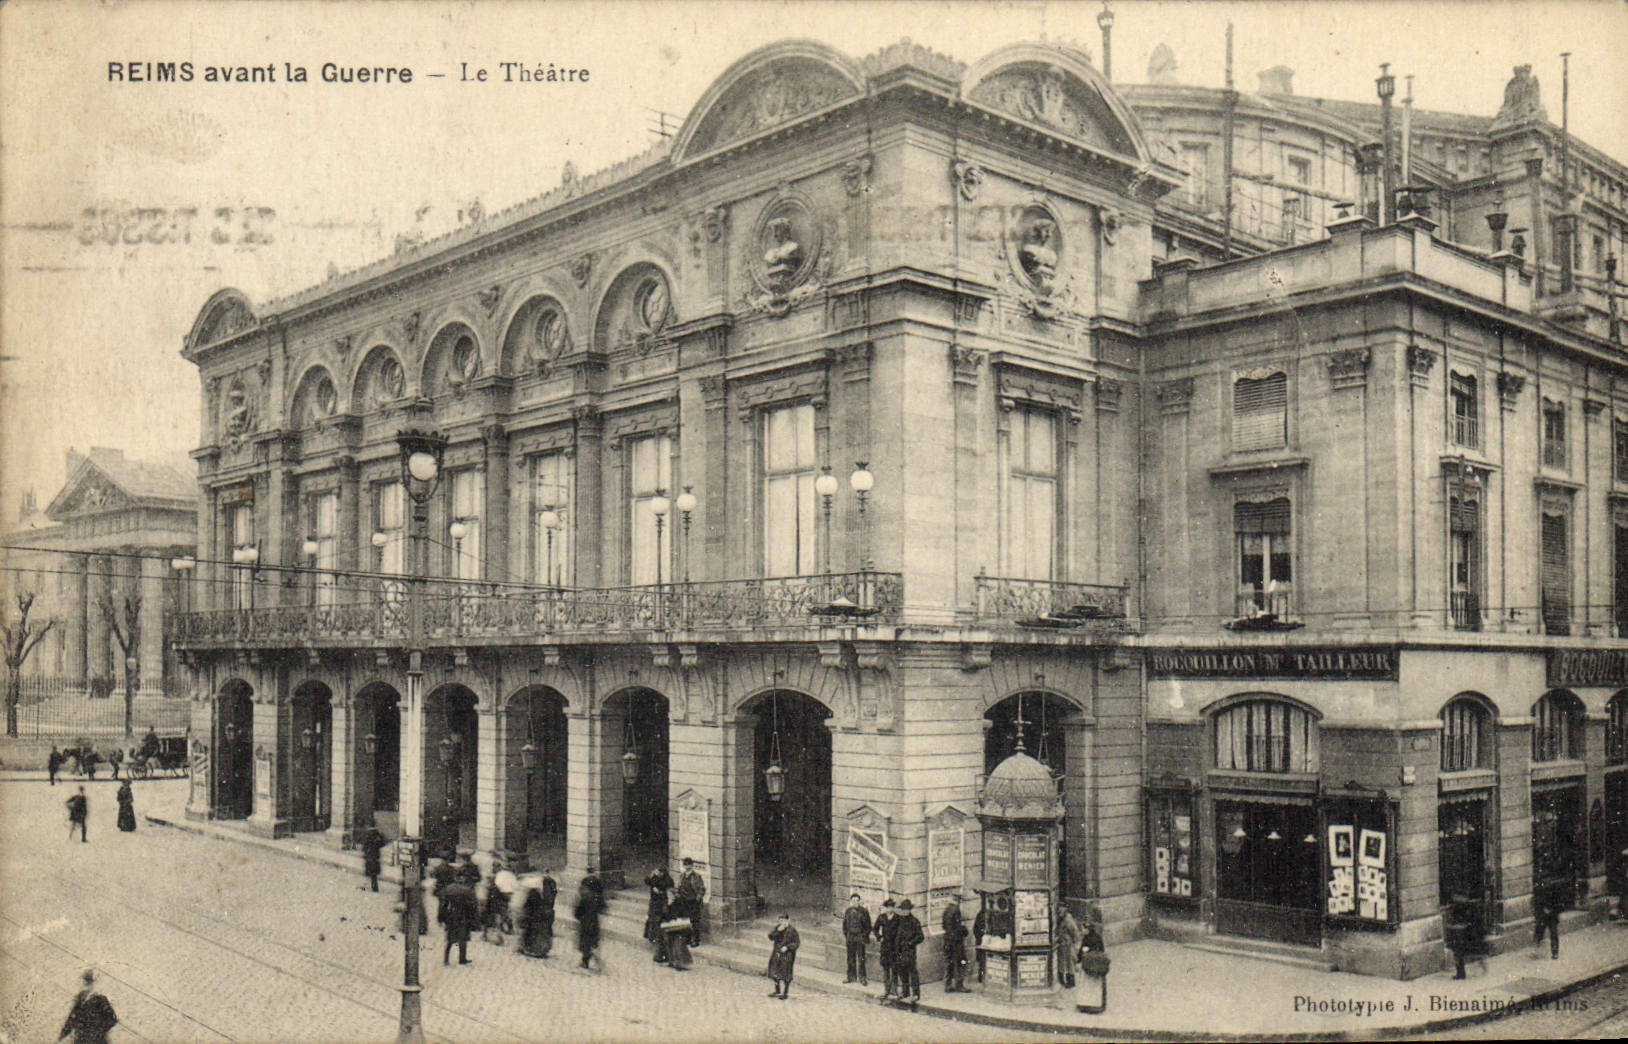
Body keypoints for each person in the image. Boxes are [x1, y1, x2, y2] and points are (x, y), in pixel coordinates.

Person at [57, 968, 117, 1044]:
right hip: (81, 1039)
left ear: (93, 984)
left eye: (88, 982)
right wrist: (62, 1035)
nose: (86, 985)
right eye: (85, 982)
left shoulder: (100, 1000)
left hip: (97, 1041)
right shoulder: (80, 999)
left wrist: (98, 1031)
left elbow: (112, 1019)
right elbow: (72, 1019)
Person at [1076, 907, 1109, 1014]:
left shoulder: (1087, 939)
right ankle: (1096, 1005)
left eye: (1083, 929)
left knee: (1087, 985)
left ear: (1088, 929)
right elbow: (1102, 950)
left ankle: (1086, 1005)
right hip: (1095, 966)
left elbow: (1082, 952)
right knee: (1095, 986)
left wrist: (1080, 959)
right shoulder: (1097, 937)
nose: (1082, 931)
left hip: (1088, 965)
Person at [1443, 894, 1485, 979]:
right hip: (1463, 930)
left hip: (1459, 931)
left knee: (1458, 953)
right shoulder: (1467, 906)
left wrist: (1451, 926)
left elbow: (1457, 921)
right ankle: (1461, 973)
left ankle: (1461, 973)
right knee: (1459, 953)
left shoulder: (1459, 906)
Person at [894, 899, 924, 1009]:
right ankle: (905, 992)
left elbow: (921, 936)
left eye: (906, 910)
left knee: (912, 972)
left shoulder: (914, 921)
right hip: (899, 951)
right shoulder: (899, 920)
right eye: (903, 909)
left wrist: (911, 943)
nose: (904, 911)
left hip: (909, 951)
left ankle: (916, 994)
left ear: (909, 910)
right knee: (902, 972)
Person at [439, 877, 477, 966]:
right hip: (463, 916)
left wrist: (441, 918)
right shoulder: (468, 890)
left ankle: (446, 959)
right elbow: (472, 906)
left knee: (450, 938)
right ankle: (462, 958)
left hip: (451, 916)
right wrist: (473, 920)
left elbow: (443, 905)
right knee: (463, 938)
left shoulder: (448, 889)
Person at [518, 871, 556, 958]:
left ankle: (533, 949)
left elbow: (528, 906)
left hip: (535, 917)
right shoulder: (547, 893)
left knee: (532, 933)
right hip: (544, 915)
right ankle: (541, 949)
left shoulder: (533, 894)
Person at [574, 873, 606, 971]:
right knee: (592, 941)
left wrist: (579, 916)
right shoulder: (598, 898)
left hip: (585, 923)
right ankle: (592, 956)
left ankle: (585, 961)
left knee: (585, 943)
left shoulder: (585, 898)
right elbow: (602, 908)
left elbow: (578, 912)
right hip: (594, 922)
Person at [644, 864, 674, 962]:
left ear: (664, 873)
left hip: (662, 906)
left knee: (661, 931)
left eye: (661, 873)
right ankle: (659, 952)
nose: (659, 874)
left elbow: (670, 893)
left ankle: (662, 955)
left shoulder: (668, 880)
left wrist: (660, 892)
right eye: (658, 872)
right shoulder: (655, 877)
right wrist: (651, 875)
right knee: (654, 927)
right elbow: (647, 881)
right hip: (654, 905)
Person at [941, 894, 971, 992]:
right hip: (956, 942)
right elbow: (958, 927)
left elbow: (944, 926)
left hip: (947, 941)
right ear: (957, 901)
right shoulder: (956, 911)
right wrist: (964, 931)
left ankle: (948, 985)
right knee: (960, 962)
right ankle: (959, 985)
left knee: (949, 963)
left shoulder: (946, 910)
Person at [766, 913, 800, 999]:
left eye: (784, 920)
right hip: (777, 953)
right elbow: (770, 937)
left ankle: (785, 992)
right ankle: (777, 990)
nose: (782, 922)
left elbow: (796, 943)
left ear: (788, 920)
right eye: (780, 921)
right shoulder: (778, 928)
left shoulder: (792, 930)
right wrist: (778, 931)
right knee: (774, 972)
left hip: (787, 956)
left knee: (786, 974)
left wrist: (788, 947)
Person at [841, 893, 872, 985]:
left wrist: (863, 936)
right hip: (851, 937)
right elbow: (844, 925)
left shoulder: (864, 912)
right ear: (850, 902)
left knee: (861, 958)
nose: (855, 902)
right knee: (850, 958)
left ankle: (862, 977)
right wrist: (847, 935)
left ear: (859, 901)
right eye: (853, 900)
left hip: (860, 937)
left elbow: (868, 926)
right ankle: (851, 977)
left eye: (857, 900)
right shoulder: (848, 911)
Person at [873, 898, 900, 1001]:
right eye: (888, 907)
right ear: (885, 908)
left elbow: (900, 932)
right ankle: (886, 989)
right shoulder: (882, 918)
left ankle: (894, 990)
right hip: (885, 947)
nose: (890, 909)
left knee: (894, 969)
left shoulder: (897, 918)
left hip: (894, 947)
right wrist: (879, 937)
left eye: (891, 907)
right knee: (886, 969)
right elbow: (875, 928)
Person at [677, 857, 707, 947]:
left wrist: (698, 898)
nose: (687, 867)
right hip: (683, 901)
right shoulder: (681, 876)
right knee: (685, 920)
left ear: (692, 865)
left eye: (688, 864)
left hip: (693, 901)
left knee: (694, 921)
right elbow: (679, 887)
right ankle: (687, 938)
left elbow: (702, 889)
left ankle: (695, 940)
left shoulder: (696, 876)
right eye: (685, 865)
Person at [1532, 879, 1562, 959]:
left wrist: (1552, 911)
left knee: (1553, 933)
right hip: (1543, 916)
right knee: (1540, 932)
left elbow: (1558, 905)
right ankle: (1537, 949)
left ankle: (1555, 952)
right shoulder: (1540, 893)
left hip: (1552, 916)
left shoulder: (1555, 893)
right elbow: (1537, 904)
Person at [1056, 905, 1082, 989]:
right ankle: (1063, 980)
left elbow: (1075, 933)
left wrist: (1075, 945)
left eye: (1061, 912)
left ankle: (1071, 981)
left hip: (1068, 945)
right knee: (1063, 963)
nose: (1059, 914)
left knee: (1069, 963)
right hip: (1062, 944)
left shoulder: (1068, 920)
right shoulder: (1061, 920)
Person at [360, 827, 385, 892]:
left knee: (370, 873)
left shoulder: (368, 838)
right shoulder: (377, 839)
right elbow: (381, 844)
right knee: (374, 874)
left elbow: (364, 848)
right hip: (375, 858)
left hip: (369, 858)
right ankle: (374, 887)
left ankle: (369, 886)